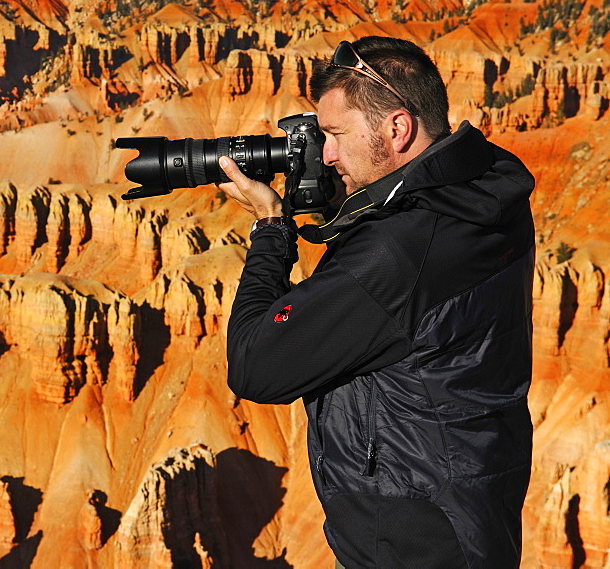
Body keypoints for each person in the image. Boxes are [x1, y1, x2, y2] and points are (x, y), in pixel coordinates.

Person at [218, 36, 535, 568]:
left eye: (337, 135)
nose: (328, 154)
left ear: (397, 127)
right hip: (468, 516)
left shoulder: (398, 250)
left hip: (409, 542)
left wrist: (272, 227)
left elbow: (254, 367)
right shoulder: (483, 187)